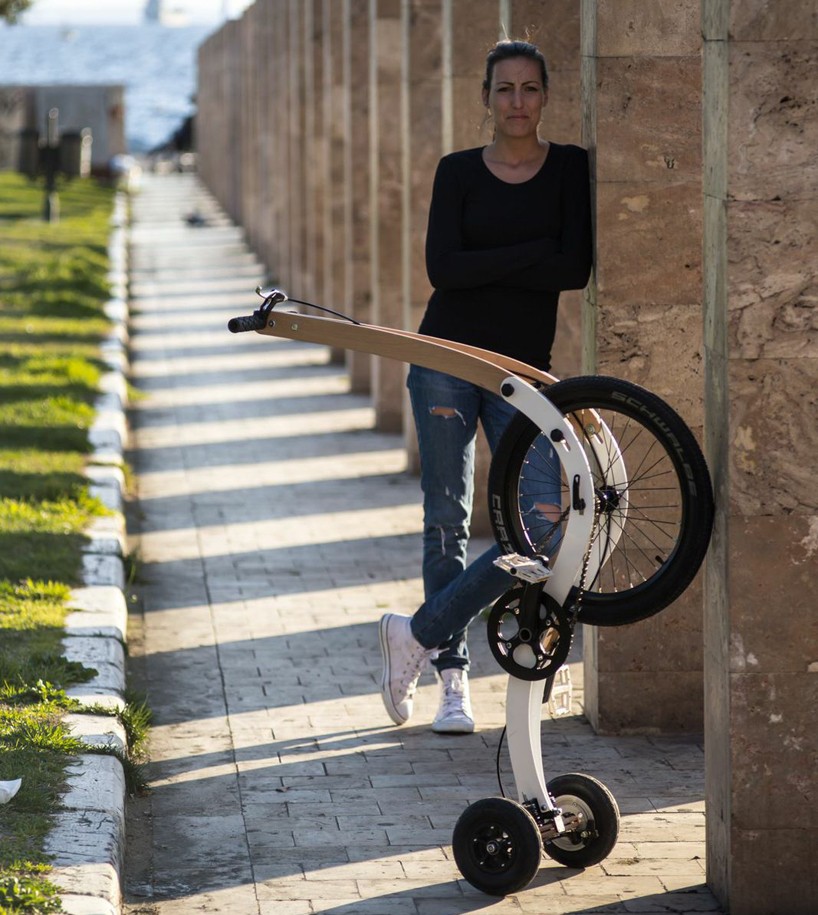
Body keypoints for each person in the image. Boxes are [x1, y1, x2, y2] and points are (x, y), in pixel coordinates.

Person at [379, 38, 592, 734]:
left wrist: (492, 261)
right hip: (444, 356)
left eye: (530, 88)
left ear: (546, 96)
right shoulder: (459, 172)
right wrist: (534, 252)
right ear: (486, 97)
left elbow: (575, 267)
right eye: (505, 89)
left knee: (544, 527)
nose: (517, 102)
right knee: (446, 517)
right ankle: (453, 684)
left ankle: (415, 631)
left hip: (520, 374)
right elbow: (445, 270)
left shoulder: (569, 169)